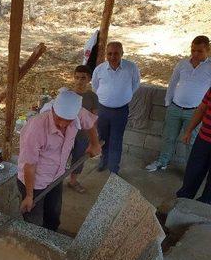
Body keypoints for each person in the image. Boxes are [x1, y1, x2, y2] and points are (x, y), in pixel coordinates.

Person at [18, 89, 101, 231]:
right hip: (34, 182)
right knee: (34, 225)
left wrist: (95, 144)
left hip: (57, 177)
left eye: (68, 121)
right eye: (58, 118)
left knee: (53, 218)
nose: (62, 124)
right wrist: (29, 195)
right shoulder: (36, 127)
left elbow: (90, 123)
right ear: (53, 110)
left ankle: (50, 241)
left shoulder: (78, 112)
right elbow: (29, 166)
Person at [146, 35, 211, 172]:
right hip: (175, 108)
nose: (195, 54)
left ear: (208, 50)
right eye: (193, 50)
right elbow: (173, 83)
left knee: (191, 143)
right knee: (168, 137)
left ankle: (191, 170)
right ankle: (162, 162)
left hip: (196, 112)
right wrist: (168, 102)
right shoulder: (182, 64)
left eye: (199, 51)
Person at [91, 41, 141, 174]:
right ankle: (104, 160)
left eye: (116, 53)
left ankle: (114, 168)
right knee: (103, 137)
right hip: (103, 110)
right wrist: (106, 98)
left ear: (122, 54)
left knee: (116, 140)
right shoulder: (100, 69)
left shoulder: (131, 68)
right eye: (110, 54)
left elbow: (135, 84)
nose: (113, 56)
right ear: (106, 54)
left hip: (121, 111)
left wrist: (124, 96)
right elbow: (95, 86)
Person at [176, 88, 211, 204]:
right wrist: (188, 131)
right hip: (203, 141)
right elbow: (201, 109)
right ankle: (180, 204)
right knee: (192, 175)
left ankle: (203, 210)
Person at [68, 65, 99, 194]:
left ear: (89, 79)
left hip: (83, 135)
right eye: (77, 78)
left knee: (79, 159)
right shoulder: (67, 95)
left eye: (83, 78)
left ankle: (73, 181)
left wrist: (93, 139)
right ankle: (54, 181)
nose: (79, 81)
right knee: (61, 157)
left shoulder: (92, 97)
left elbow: (94, 118)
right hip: (68, 134)